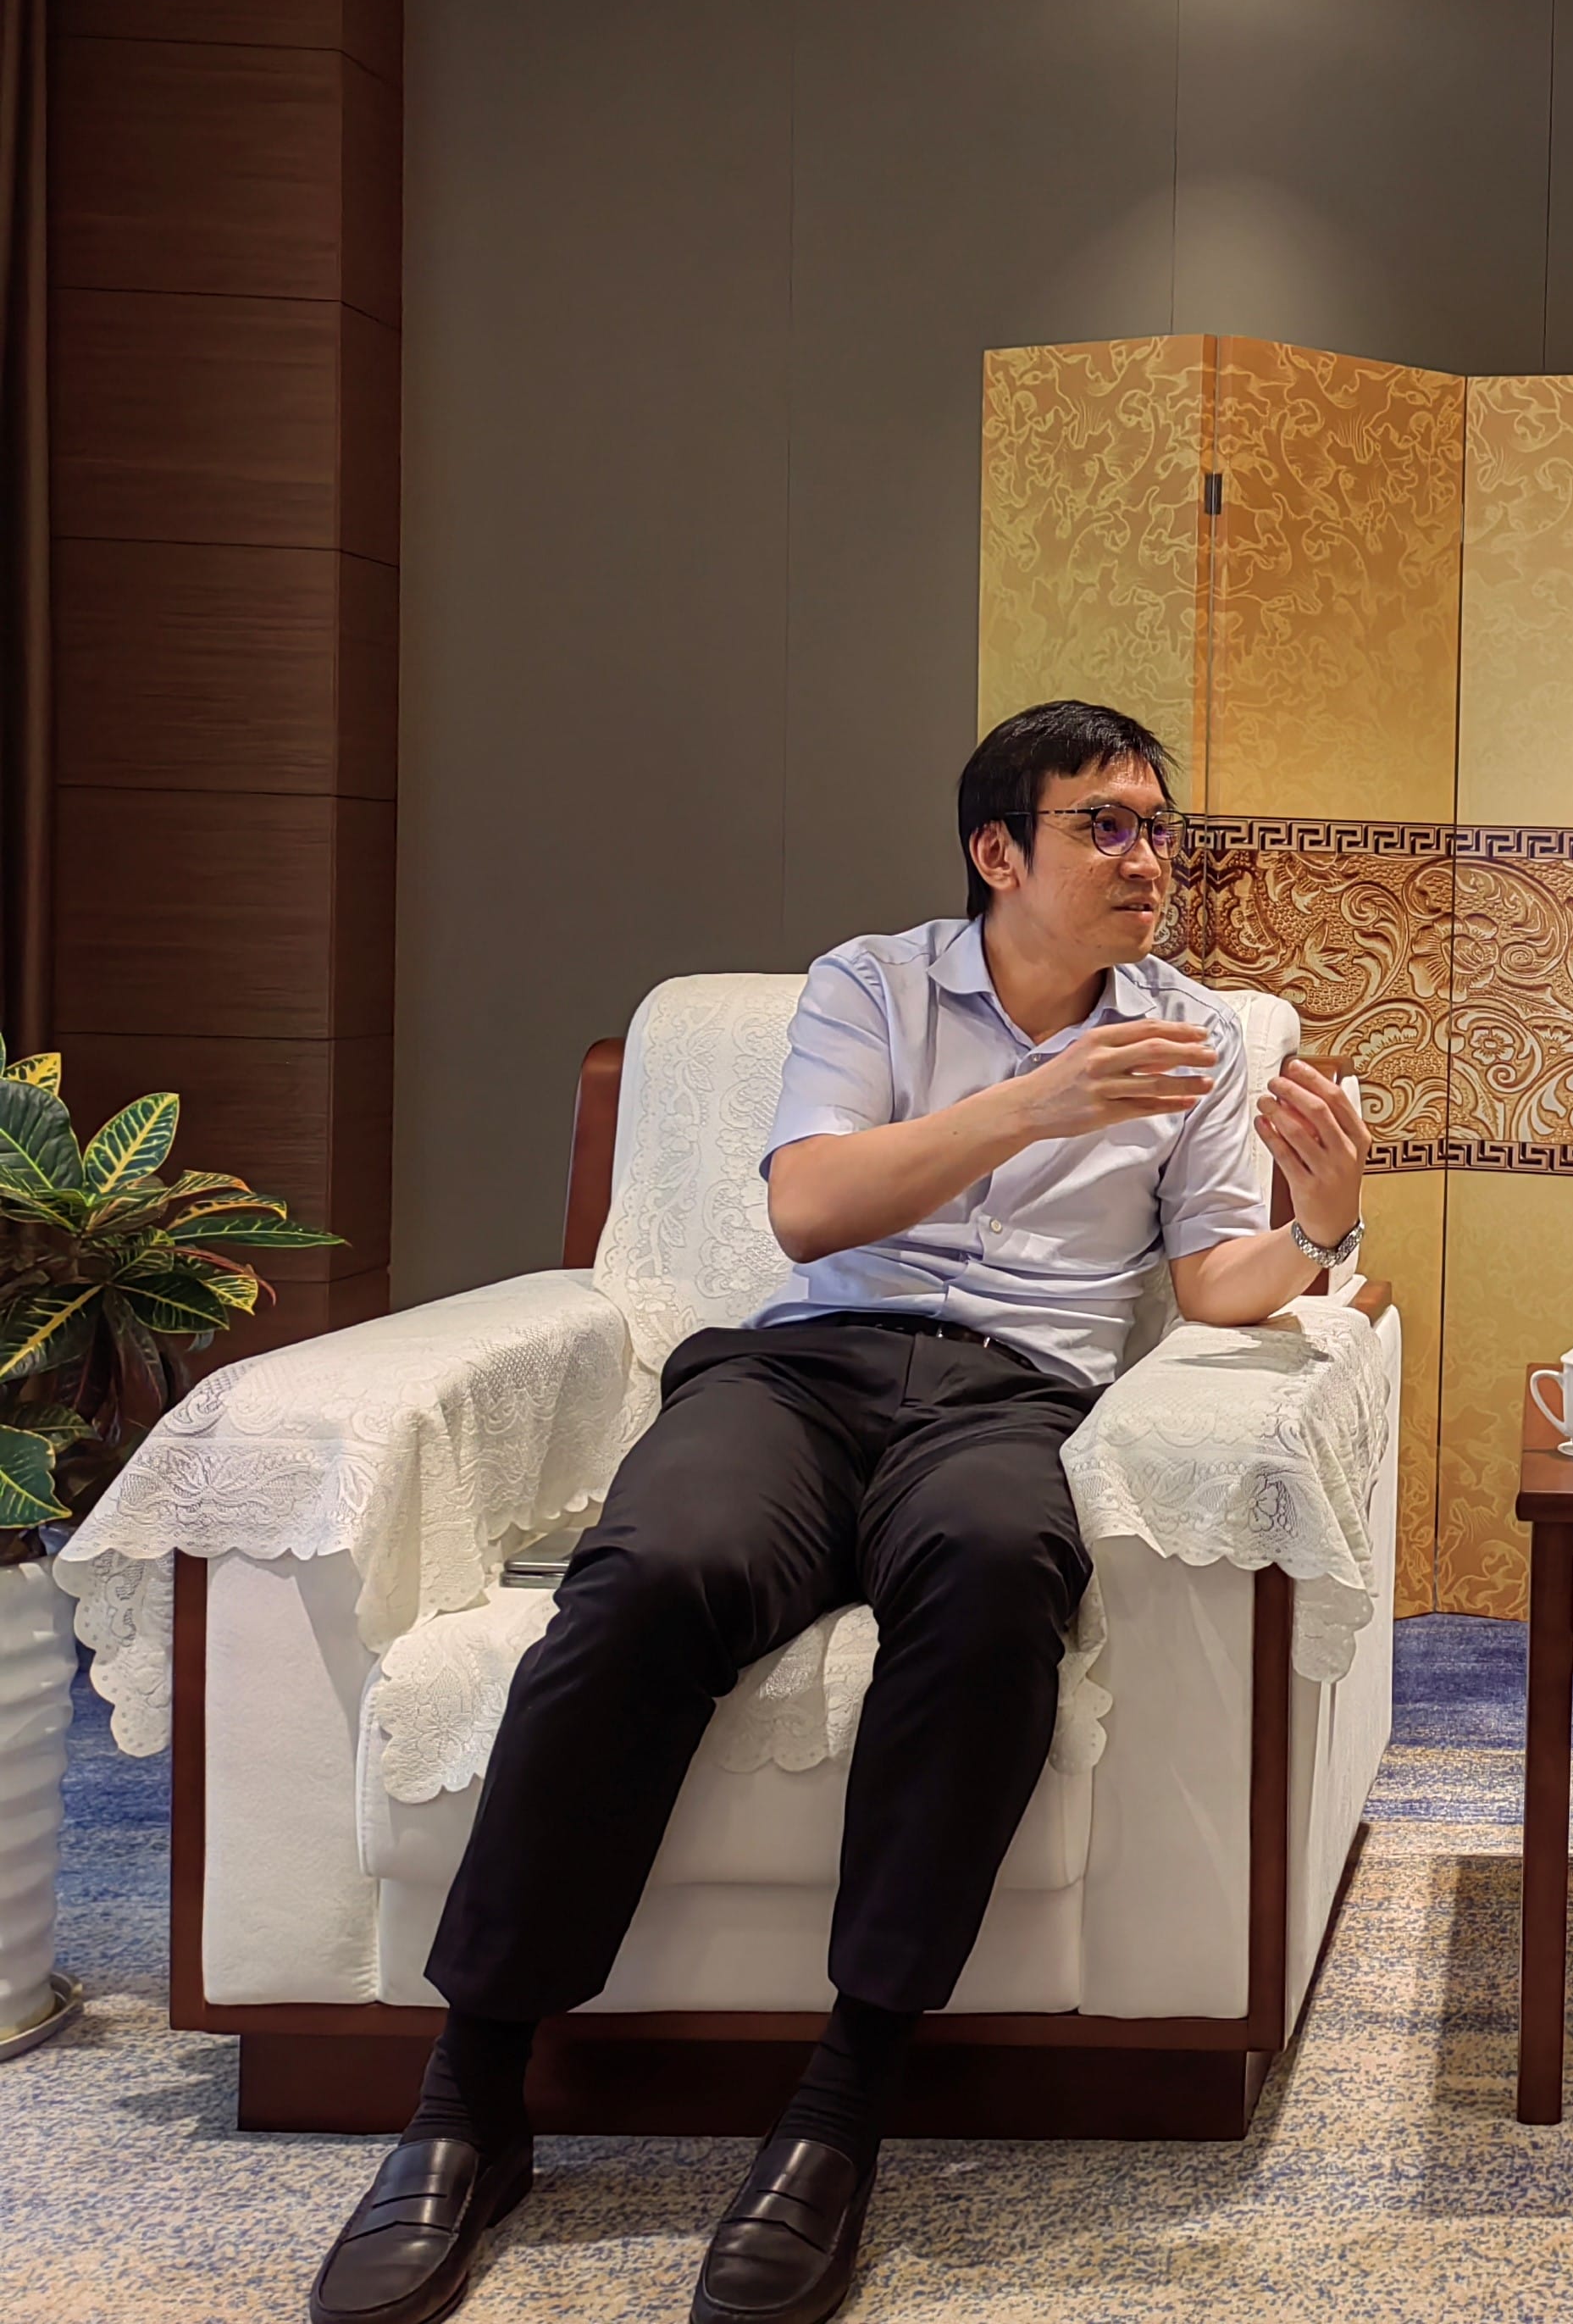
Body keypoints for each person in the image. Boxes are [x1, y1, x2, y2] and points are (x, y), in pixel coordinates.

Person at [307, 700, 1371, 2324]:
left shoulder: (1202, 1038)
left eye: (1163, 826)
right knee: (657, 1573)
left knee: (1006, 1571)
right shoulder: (871, 984)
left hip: (1016, 1397)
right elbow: (808, 1209)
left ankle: (842, 2103)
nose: (1151, 856)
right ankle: (471, 2094)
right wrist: (1037, 1101)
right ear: (997, 850)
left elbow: (1218, 1280)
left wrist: (1320, 1225)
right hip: (803, 1373)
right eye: (1108, 823)